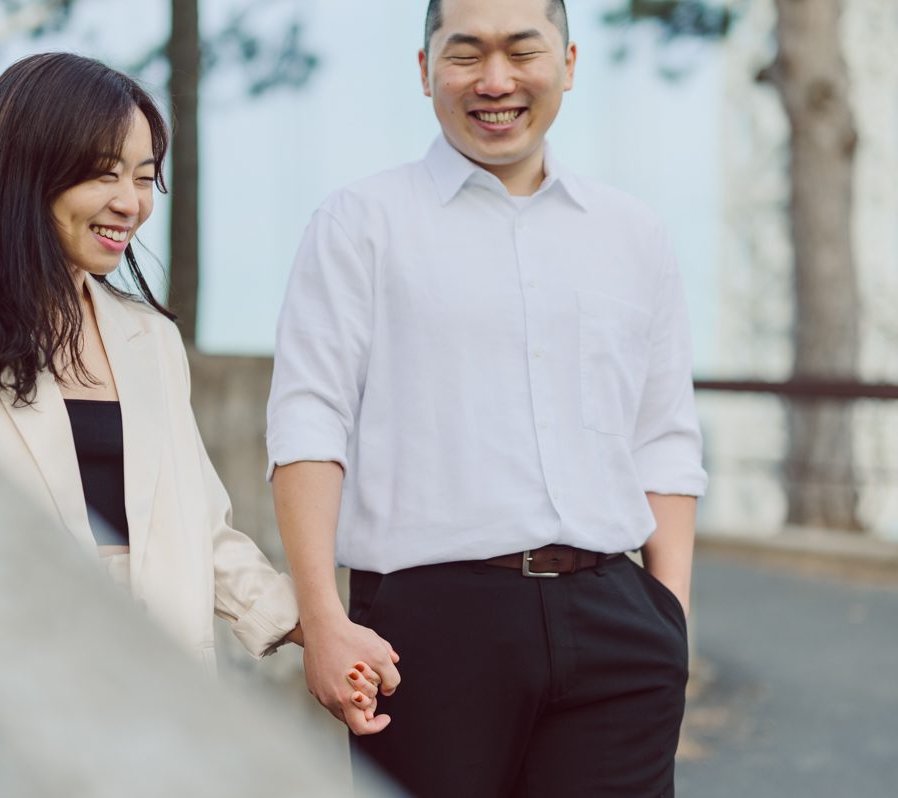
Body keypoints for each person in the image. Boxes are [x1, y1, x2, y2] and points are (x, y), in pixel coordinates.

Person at [267, 0, 708, 794]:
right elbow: (308, 422)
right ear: (424, 69)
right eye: (466, 53)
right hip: (429, 630)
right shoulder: (360, 223)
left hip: (616, 618)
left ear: (568, 65)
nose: (495, 81)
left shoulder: (633, 233)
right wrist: (324, 619)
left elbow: (664, 436)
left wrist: (669, 619)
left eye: (523, 51)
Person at [0, 52, 312, 679]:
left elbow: (202, 531)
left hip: (162, 681)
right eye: (104, 174)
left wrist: (314, 626)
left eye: (144, 178)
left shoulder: (151, 338)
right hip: (11, 683)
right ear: (29, 173)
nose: (130, 203)